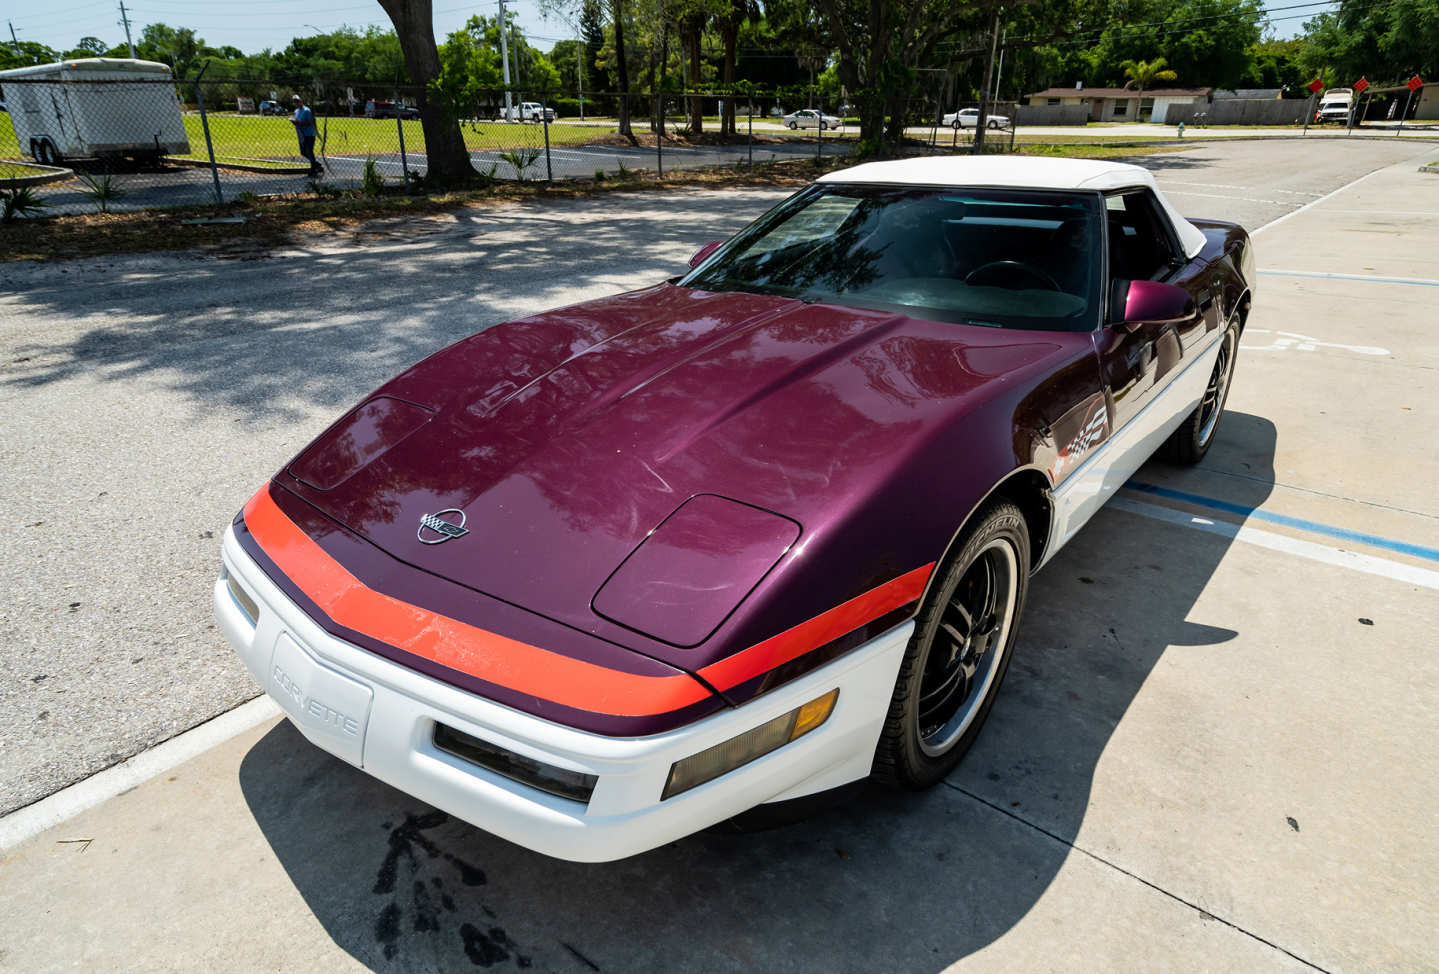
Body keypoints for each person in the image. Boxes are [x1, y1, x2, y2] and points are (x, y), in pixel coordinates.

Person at [290, 94, 323, 177]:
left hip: (309, 134)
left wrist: (300, 123)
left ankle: (313, 170)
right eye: (295, 102)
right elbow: (297, 120)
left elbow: (311, 122)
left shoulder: (307, 111)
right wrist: (294, 122)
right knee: (303, 152)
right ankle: (316, 164)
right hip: (301, 134)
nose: (296, 103)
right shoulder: (296, 111)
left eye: (297, 101)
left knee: (309, 151)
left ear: (301, 101)